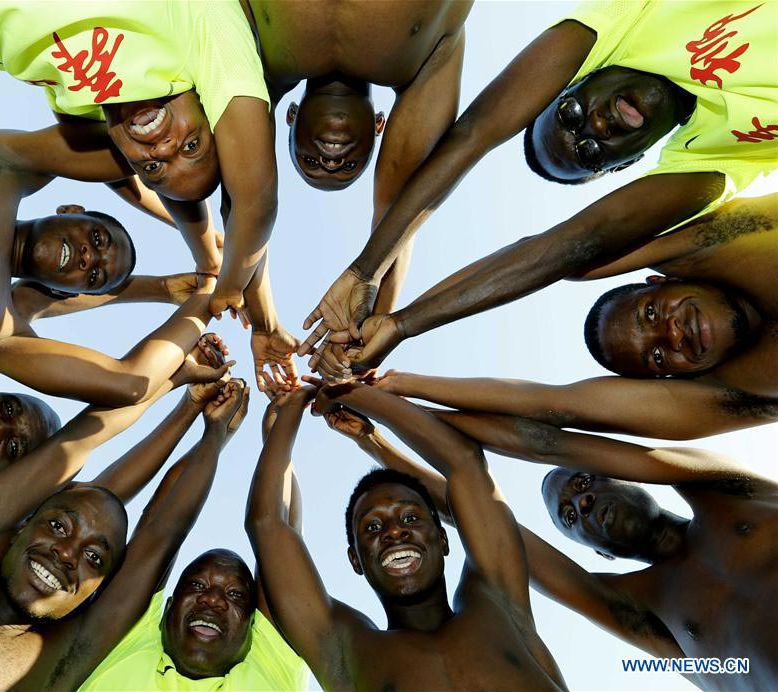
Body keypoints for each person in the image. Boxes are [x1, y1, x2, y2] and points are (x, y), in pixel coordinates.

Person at [299, 0, 777, 371]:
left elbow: (474, 135)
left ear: (575, 78)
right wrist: (403, 325)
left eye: (568, 114)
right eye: (590, 153)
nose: (594, 129)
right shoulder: (717, 159)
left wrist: (366, 269)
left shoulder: (628, 22)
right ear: (624, 167)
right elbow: (572, 244)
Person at [322, 404, 777, 690]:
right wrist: (374, 440)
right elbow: (481, 515)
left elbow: (551, 440)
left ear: (623, 473)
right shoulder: (639, 609)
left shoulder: (733, 495)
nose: (582, 501)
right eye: (571, 517)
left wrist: (387, 402)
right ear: (599, 553)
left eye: (582, 483)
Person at [0, 0, 279, 323]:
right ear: (213, 106)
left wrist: (203, 256)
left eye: (153, 167)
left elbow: (147, 180)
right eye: (193, 145)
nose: (163, 149)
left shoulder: (84, 105)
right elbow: (254, 201)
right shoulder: (202, 31)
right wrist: (227, 285)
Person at [0, 363, 247, 689]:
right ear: (21, 527)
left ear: (99, 589)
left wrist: (213, 434)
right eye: (56, 526)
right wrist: (178, 390)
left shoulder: (66, 657)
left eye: (94, 557)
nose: (67, 553)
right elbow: (79, 440)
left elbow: (162, 531)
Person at [367, 194, 777, 440]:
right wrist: (400, 384)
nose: (669, 335)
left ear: (657, 279)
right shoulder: (733, 398)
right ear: (670, 380)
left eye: (650, 312)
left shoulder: (720, 239)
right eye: (657, 358)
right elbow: (555, 407)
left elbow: (562, 251)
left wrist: (402, 322)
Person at [0, 127, 238, 405]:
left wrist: (205, 298)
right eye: (98, 239)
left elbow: (128, 383)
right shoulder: (0, 163)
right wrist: (207, 242)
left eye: (95, 275)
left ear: (66, 293)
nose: (88, 257)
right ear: (70, 210)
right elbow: (134, 148)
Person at [247, 383, 565, 690]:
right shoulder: (345, 649)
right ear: (355, 559)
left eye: (411, 517)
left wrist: (350, 390)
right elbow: (268, 525)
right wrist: (292, 406)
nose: (394, 531)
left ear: (443, 538)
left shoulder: (497, 599)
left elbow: (465, 461)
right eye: (372, 527)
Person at [0, 334, 227, 573]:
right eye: (8, 408)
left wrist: (181, 394)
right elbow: (24, 294)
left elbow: (90, 484)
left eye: (13, 448)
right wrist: (163, 289)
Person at [243, 0, 471, 317]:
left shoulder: (260, 62)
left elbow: (245, 198)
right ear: (381, 126)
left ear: (290, 116)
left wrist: (262, 321)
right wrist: (371, 326)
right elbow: (398, 205)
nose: (331, 163)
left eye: (309, 162)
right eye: (351, 167)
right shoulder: (424, 65)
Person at [80, 398, 308, 691]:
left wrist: (279, 435)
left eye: (236, 595)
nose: (212, 600)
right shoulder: (121, 647)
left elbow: (281, 546)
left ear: (254, 628)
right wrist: (215, 433)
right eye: (197, 586)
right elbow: (159, 527)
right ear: (166, 612)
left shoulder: (273, 673)